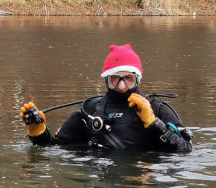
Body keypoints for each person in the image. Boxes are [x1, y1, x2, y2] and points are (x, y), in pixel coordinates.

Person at [19, 44, 192, 152]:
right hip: (103, 177)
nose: (122, 86)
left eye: (128, 79)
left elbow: (186, 150)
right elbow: (52, 149)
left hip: (143, 181)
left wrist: (154, 123)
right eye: (115, 79)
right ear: (106, 80)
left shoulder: (156, 108)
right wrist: (38, 132)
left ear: (138, 79)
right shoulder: (91, 111)